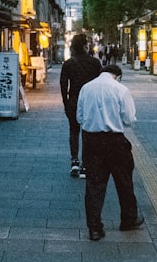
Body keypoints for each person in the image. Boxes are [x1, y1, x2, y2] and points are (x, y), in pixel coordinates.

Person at [76, 64, 143, 241]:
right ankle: (129, 220)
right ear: (118, 76)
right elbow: (129, 119)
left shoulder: (86, 88)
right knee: (124, 182)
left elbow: (79, 117)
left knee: (94, 185)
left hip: (91, 141)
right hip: (115, 141)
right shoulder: (121, 89)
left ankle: (95, 228)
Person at [59, 34, 103, 178]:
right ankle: (85, 164)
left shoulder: (69, 64)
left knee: (73, 130)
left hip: (74, 100)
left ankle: (74, 161)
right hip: (90, 101)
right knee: (88, 132)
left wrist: (66, 103)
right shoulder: (95, 63)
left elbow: (63, 85)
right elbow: (100, 84)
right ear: (86, 46)